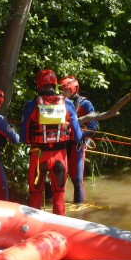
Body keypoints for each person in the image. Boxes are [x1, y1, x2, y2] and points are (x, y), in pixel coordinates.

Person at [20, 69, 83, 216]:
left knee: (35, 196)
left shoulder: (31, 105)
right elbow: (77, 135)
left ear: (38, 85)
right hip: (60, 156)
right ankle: (60, 233)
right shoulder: (67, 104)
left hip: (38, 155)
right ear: (55, 84)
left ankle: (32, 233)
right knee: (59, 197)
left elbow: (24, 137)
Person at [59, 75, 98, 203]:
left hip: (77, 144)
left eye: (65, 90)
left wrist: (80, 134)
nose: (63, 93)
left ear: (74, 89)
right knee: (58, 176)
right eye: (62, 90)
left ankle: (78, 208)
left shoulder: (85, 104)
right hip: (62, 144)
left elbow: (93, 128)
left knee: (76, 178)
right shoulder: (60, 103)